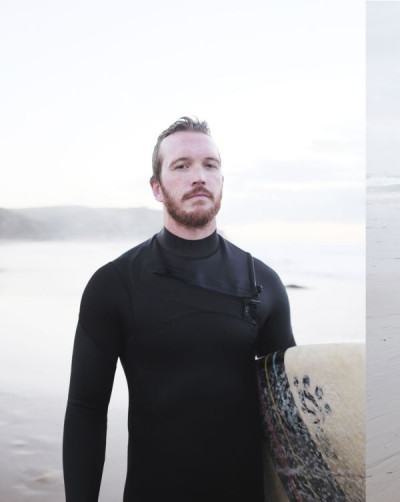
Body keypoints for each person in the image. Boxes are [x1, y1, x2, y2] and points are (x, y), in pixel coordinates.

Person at [63, 117, 296, 502]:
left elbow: (288, 412)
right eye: (181, 165)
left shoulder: (263, 283)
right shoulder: (115, 285)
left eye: (210, 165)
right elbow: (86, 409)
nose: (199, 176)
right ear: (157, 188)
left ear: (222, 180)